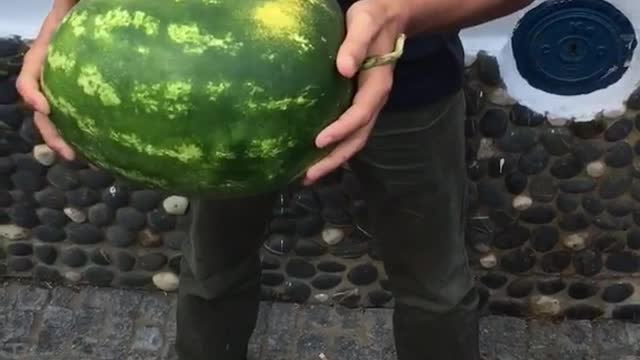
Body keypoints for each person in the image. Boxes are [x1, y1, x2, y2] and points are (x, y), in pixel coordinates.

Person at [18, 0, 533, 359]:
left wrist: (398, 12)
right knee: (214, 271)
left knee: (434, 284)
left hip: (411, 86)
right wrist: (69, 12)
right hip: (223, 99)